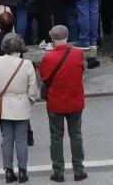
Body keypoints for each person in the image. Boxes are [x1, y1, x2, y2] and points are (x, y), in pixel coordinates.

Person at [0, 33, 38, 183]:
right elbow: (33, 88)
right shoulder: (26, 64)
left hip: (4, 105)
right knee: (21, 140)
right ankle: (22, 171)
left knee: (7, 139)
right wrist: (30, 100)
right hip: (21, 103)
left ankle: (8, 171)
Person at [39, 25, 86, 182]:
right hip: (75, 102)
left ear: (52, 40)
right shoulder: (78, 54)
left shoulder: (47, 58)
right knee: (76, 136)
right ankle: (78, 170)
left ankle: (58, 171)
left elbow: (45, 77)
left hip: (56, 104)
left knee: (56, 137)